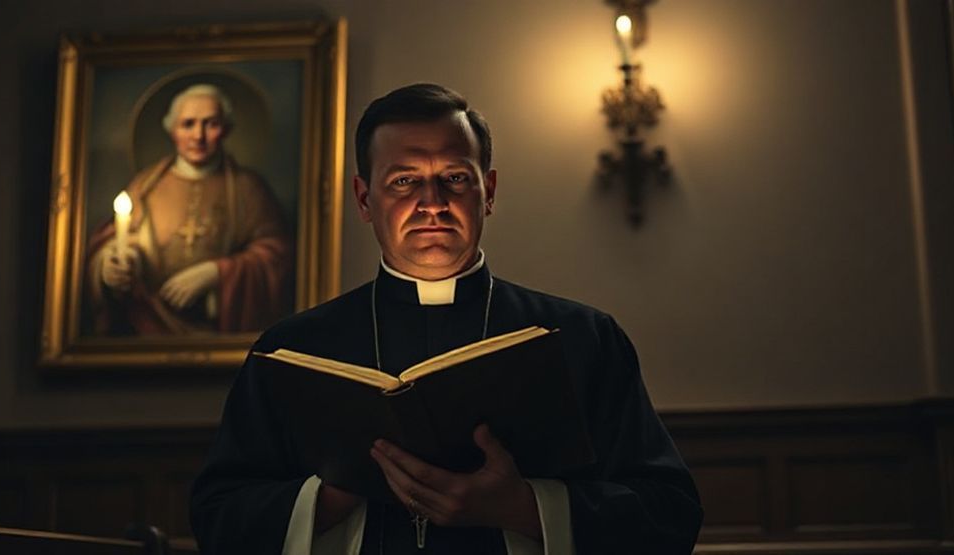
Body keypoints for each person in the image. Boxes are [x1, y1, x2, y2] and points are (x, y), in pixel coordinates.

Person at [190, 83, 702, 554]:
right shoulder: (289, 350)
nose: (431, 203)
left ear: (490, 191)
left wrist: (522, 507)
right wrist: (334, 496)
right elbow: (217, 518)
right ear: (365, 199)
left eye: (455, 178)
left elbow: (670, 514)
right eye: (404, 181)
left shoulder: (584, 338)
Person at [85, 84, 293, 335]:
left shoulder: (247, 188)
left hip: (220, 331)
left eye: (210, 124)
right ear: (172, 130)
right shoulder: (147, 185)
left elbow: (276, 256)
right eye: (188, 124)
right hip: (150, 323)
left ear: (226, 130)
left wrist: (217, 274)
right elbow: (118, 242)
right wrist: (112, 266)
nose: (198, 136)